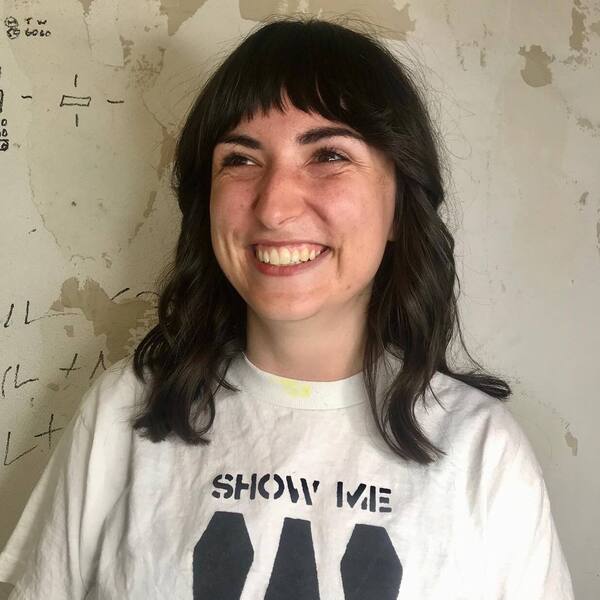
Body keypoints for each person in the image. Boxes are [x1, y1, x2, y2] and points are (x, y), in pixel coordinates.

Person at [0, 16, 574, 600]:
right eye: (241, 160)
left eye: (328, 154)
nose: (273, 207)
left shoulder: (482, 450)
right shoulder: (126, 410)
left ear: (401, 204)